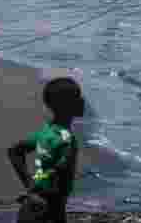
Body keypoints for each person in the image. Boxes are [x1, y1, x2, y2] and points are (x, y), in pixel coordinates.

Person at [8, 77, 85, 223]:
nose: (82, 100)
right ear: (67, 105)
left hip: (38, 205)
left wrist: (30, 186)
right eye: (77, 97)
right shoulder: (65, 139)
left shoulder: (46, 131)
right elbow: (58, 170)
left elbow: (14, 151)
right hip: (46, 208)